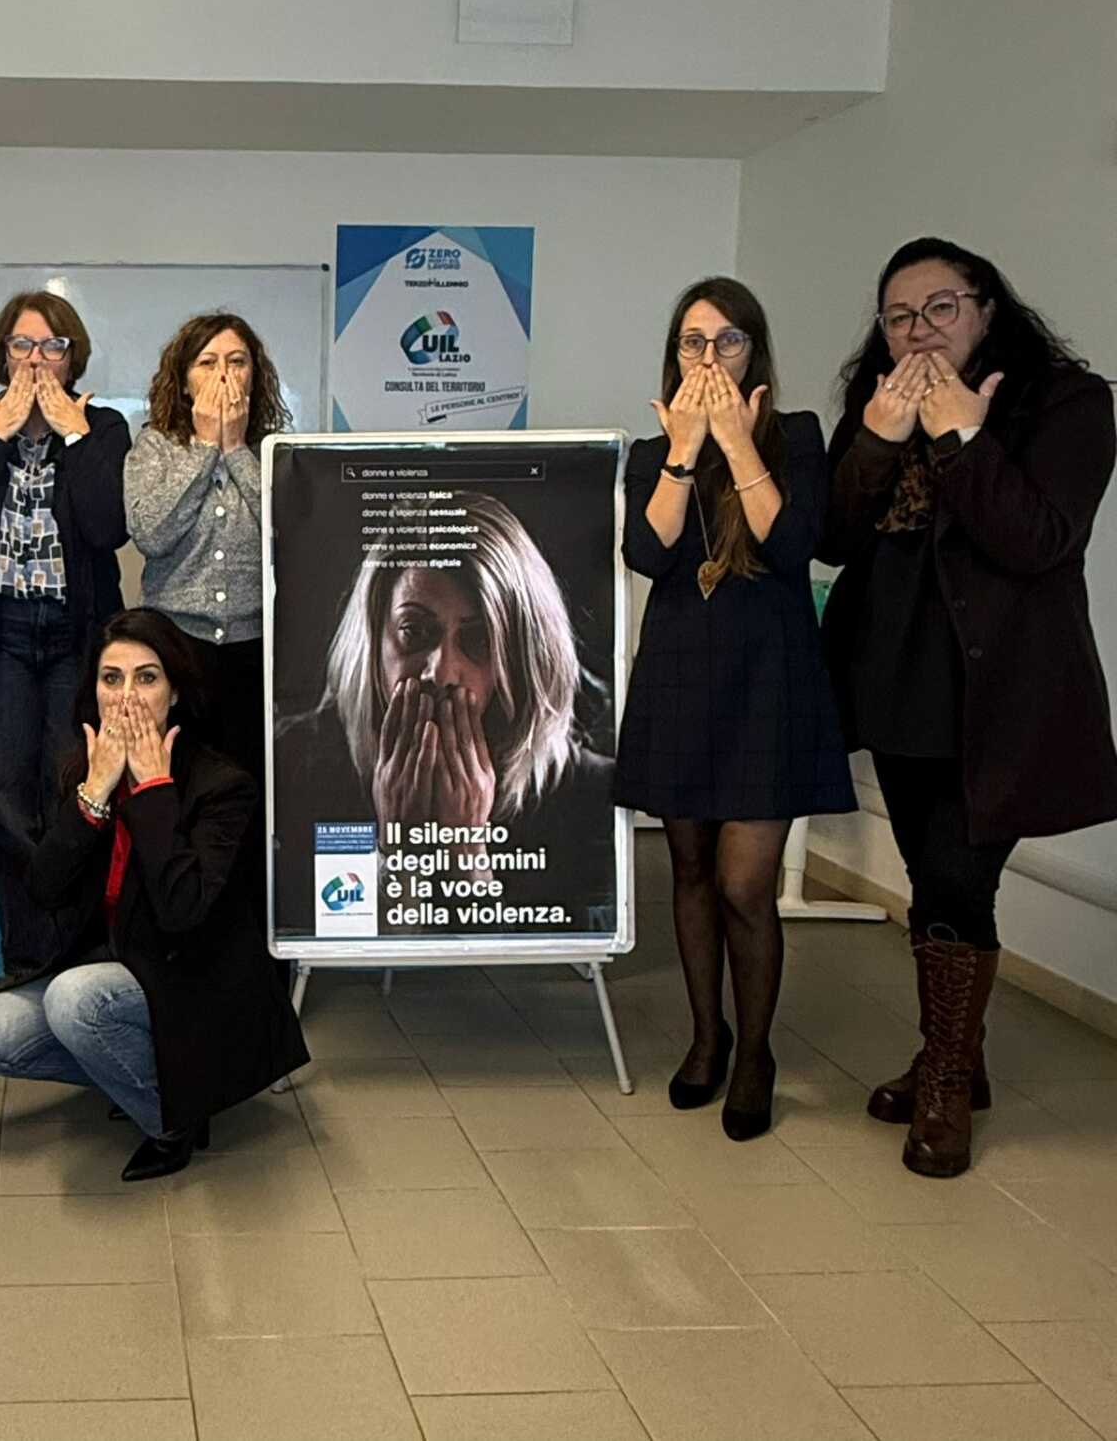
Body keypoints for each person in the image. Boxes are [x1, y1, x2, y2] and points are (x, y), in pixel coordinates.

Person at [819, 237, 1117, 1178]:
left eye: (940, 308)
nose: (919, 332)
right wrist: (877, 439)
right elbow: (833, 536)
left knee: (956, 878)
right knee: (932, 872)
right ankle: (959, 1056)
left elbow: (1038, 540)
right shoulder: (878, 397)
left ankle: (947, 1073)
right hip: (895, 676)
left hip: (999, 690)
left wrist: (961, 436)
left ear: (987, 309)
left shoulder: (1069, 402)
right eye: (899, 316)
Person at [615, 277, 854, 1141]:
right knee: (688, 869)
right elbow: (647, 553)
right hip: (681, 676)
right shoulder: (653, 449)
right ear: (674, 355)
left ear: (756, 351)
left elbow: (793, 546)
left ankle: (756, 1053)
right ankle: (706, 1036)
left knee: (745, 883)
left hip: (768, 681)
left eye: (727, 340)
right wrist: (684, 451)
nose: (709, 357)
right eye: (693, 341)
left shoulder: (798, 437)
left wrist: (737, 443)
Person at [0, 609, 308, 1181]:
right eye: (111, 678)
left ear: (175, 693)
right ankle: (146, 1075)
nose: (126, 697)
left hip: (195, 982)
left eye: (147, 678)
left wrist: (152, 790)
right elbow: (44, 889)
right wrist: (95, 794)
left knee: (75, 1000)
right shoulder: (87, 768)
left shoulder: (222, 785)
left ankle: (174, 1121)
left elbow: (182, 912)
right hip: (120, 965)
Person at [276, 492, 617, 929]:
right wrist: (399, 854)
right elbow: (342, 945)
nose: (441, 673)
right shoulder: (296, 763)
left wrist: (466, 852)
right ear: (375, 638)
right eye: (414, 632)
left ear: (518, 654)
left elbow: (527, 961)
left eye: (477, 640)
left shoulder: (588, 793)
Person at [0, 291, 131, 972]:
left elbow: (107, 528)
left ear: (73, 358)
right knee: (7, 796)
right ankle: (29, 958)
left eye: (52, 346)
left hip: (76, 638)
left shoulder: (102, 428)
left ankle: (76, 954)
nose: (36, 360)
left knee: (73, 789)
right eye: (22, 345)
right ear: (2, 355)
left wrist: (74, 434)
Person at [124, 311, 289, 788]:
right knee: (175, 783)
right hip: (174, 647)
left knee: (246, 786)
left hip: (253, 649)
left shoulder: (273, 449)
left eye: (237, 362)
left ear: (254, 375)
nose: (223, 375)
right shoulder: (155, 446)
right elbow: (152, 534)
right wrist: (203, 447)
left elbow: (288, 538)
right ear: (184, 381)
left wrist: (235, 448)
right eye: (208, 362)